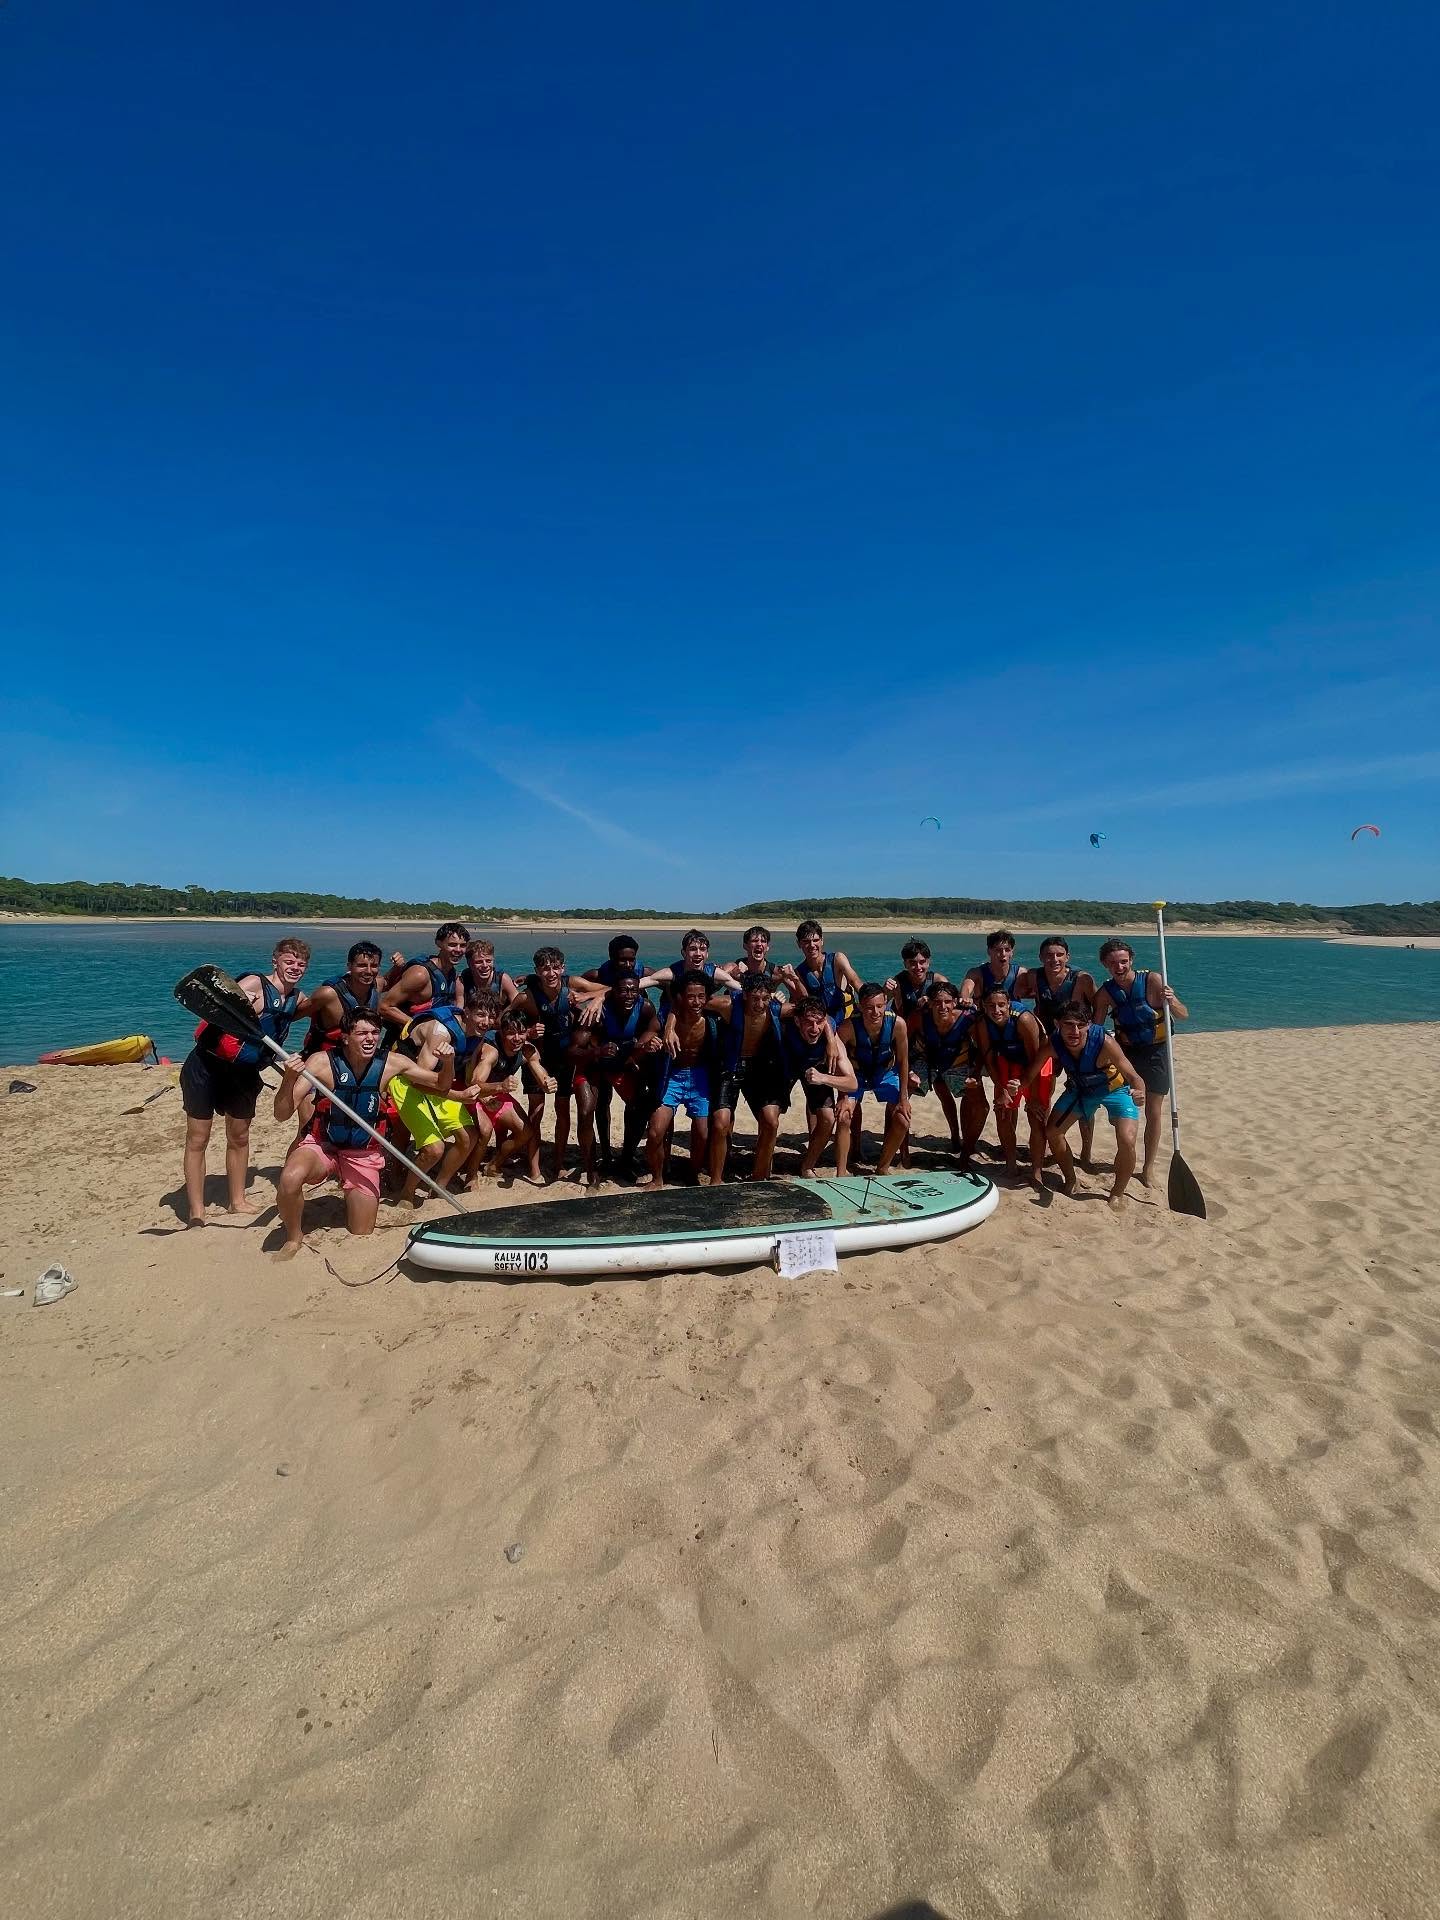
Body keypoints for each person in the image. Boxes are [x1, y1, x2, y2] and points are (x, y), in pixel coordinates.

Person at [271, 1005, 448, 1257]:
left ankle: (351, 1192)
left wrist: (448, 1063)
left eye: (375, 1033)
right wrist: (289, 1078)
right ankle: (293, 1236)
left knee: (362, 1231)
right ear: (345, 1037)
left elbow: (441, 1084)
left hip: (362, 1151)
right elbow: (281, 1114)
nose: (370, 1039)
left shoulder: (392, 1063)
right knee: (290, 1179)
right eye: (362, 1033)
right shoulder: (321, 1062)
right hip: (324, 1144)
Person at [180, 937, 311, 1226]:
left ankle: (236, 1201)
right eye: (289, 961)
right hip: (206, 1065)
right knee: (198, 1138)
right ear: (275, 961)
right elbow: (212, 1007)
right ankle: (197, 1210)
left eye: (301, 964)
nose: (295, 968)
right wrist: (239, 1003)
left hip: (244, 1073)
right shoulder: (253, 983)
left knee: (239, 1136)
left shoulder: (297, 999)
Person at [1023, 1001, 1147, 1207]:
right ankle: (1071, 1179)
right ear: (1057, 1024)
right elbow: (1030, 1074)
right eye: (1068, 1024)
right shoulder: (1053, 1045)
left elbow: (1134, 1076)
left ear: (1089, 1025)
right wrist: (1016, 1088)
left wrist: (1139, 1093)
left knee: (1127, 1140)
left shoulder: (1104, 1042)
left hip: (1115, 1090)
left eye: (1080, 1025)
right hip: (1081, 1091)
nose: (1074, 1031)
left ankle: (1117, 1192)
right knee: (1053, 1132)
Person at [1091, 938, 1189, 1188]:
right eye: (1113, 963)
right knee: (1124, 1110)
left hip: (1157, 1053)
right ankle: (1127, 1155)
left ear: (1131, 960)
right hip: (1127, 1055)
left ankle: (1148, 1168)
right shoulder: (1105, 993)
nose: (1119, 967)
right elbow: (1096, 1030)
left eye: (1123, 961)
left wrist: (1172, 1000)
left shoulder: (1153, 980)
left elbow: (1183, 1015)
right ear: (1105, 965)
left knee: (1153, 1112)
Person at [569, 974, 663, 1184]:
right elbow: (572, 1051)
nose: (629, 995)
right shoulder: (596, 1013)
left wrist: (641, 1051)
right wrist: (597, 1051)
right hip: (594, 1064)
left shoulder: (645, 1008)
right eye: (623, 991)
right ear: (613, 992)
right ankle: (593, 1168)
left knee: (639, 1107)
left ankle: (627, 1158)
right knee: (587, 1111)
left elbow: (653, 1034)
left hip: (623, 1066)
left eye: (633, 991)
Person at [384, 1001, 481, 1204]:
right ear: (467, 1013)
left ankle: (439, 1186)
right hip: (407, 1080)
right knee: (434, 1149)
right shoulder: (441, 1033)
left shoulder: (476, 1033)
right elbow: (419, 1082)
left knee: (468, 1136)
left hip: (440, 1080)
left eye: (491, 1017)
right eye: (481, 1015)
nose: (486, 1022)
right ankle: (407, 1193)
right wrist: (458, 1096)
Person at [1015, 936, 1099, 1164]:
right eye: (1049, 955)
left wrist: (1096, 1037)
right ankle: (1045, 1145)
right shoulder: (1034, 976)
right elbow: (1016, 993)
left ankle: (1086, 1152)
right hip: (1049, 1044)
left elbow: (1099, 1004)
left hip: (1077, 1044)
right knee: (1045, 1093)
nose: (1054, 959)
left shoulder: (1081, 979)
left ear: (1067, 957)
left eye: (1059, 955)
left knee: (1084, 1097)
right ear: (1041, 957)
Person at [291, 940, 384, 1136]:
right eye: (361, 965)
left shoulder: (378, 985)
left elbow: (392, 981)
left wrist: (399, 968)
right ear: (349, 966)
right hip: (321, 1066)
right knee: (308, 1131)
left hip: (357, 1068)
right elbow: (292, 1015)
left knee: (346, 1128)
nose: (368, 971)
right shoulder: (328, 994)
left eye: (374, 965)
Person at [706, 972, 790, 1184]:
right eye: (755, 998)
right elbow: (691, 1002)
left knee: (771, 1121)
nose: (760, 1004)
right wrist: (670, 1026)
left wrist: (831, 1041)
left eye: (765, 998)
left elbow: (814, 1012)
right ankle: (716, 1180)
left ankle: (759, 1176)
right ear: (744, 995)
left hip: (758, 1069)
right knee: (721, 1122)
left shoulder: (775, 1009)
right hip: (730, 1067)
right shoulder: (728, 1005)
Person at [510, 947, 584, 1179]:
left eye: (555, 968)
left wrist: (591, 998)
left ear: (563, 968)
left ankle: (559, 1163)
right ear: (537, 971)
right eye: (544, 969)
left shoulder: (570, 989)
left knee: (563, 1111)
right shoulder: (526, 997)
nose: (551, 973)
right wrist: (527, 1032)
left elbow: (607, 989)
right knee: (536, 1112)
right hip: (537, 1059)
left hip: (564, 1059)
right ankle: (534, 1166)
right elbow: (503, 1020)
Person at [971, 984, 1049, 1188]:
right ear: (983, 1006)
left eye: (1001, 1005)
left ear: (1009, 1005)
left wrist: (1031, 1096)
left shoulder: (1023, 1020)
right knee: (1003, 1111)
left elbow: (1035, 1058)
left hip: (1037, 1063)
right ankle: (1011, 1165)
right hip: (1008, 1060)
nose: (996, 1010)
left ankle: (1037, 1170)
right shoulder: (983, 1022)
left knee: (1036, 1114)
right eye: (991, 1006)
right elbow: (989, 1058)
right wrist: (1003, 1090)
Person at [642, 970, 716, 1187]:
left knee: (702, 1133)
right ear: (680, 997)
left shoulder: (712, 1018)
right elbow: (646, 1036)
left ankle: (692, 1172)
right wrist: (650, 1043)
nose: (696, 1002)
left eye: (701, 996)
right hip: (673, 1076)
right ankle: (657, 1178)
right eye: (691, 997)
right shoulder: (666, 1016)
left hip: (700, 1076)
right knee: (655, 1131)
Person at [467, 1007, 552, 1183]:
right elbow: (475, 1084)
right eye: (511, 1033)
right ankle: (471, 1175)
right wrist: (500, 1086)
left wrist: (548, 1083)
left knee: (526, 1132)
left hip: (496, 1094)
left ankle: (494, 1164)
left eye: (521, 1032)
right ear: (502, 1033)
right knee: (485, 1132)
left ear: (527, 1032)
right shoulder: (491, 1050)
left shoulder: (527, 1049)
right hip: (473, 1094)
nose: (517, 1038)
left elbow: (540, 1073)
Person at [835, 984, 911, 1176]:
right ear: (860, 1006)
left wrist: (903, 1098)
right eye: (869, 1007)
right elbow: (838, 1061)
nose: (875, 1012)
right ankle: (841, 1172)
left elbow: (903, 1061)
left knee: (903, 1119)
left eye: (879, 1006)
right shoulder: (847, 1027)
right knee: (843, 1116)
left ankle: (882, 1167)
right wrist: (843, 1095)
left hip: (884, 1073)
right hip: (856, 1075)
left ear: (886, 1003)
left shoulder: (898, 1025)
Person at [908, 979, 987, 1162]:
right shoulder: (919, 1017)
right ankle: (905, 1154)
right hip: (928, 1059)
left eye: (947, 1002)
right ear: (929, 1003)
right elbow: (902, 1044)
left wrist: (975, 1074)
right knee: (937, 1094)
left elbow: (982, 1049)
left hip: (956, 1060)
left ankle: (966, 1147)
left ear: (955, 1002)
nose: (942, 1006)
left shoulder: (968, 1019)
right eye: (937, 1002)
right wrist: (909, 1071)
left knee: (978, 1103)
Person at [780, 994, 858, 1175]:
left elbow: (852, 1083)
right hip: (786, 1068)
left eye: (819, 1022)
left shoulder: (833, 1041)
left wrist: (823, 1078)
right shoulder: (786, 1025)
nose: (815, 1029)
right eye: (809, 1023)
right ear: (797, 1021)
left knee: (828, 1118)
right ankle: (764, 1167)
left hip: (815, 1071)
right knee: (770, 1114)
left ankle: (807, 1165)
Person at [380, 922, 468, 1031]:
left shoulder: (452, 975)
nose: (458, 950)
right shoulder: (420, 974)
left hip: (434, 1033)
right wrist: (418, 1026)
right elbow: (384, 1007)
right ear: (439, 943)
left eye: (462, 945)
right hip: (405, 1035)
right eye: (452, 945)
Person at [778, 920, 861, 1026]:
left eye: (816, 940)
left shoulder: (837, 960)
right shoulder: (798, 972)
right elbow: (804, 1000)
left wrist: (869, 999)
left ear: (822, 941)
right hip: (818, 1024)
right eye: (806, 941)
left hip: (843, 1021)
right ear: (799, 944)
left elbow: (855, 982)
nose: (812, 945)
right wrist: (795, 980)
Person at [639, 929, 740, 1011]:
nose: (698, 954)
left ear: (707, 954)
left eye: (702, 949)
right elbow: (646, 981)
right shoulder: (673, 973)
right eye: (692, 949)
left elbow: (741, 989)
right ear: (683, 953)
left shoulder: (714, 972)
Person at [888, 938, 948, 1025]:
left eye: (922, 962)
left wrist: (932, 1000)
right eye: (913, 963)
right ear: (905, 964)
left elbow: (952, 1005)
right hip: (906, 1028)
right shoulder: (897, 983)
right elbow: (880, 1003)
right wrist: (885, 990)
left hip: (932, 1028)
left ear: (928, 962)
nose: (918, 967)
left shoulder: (939, 981)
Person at [961, 929, 1021, 1007]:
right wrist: (965, 998)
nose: (1003, 954)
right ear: (989, 951)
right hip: (984, 1013)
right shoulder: (976, 973)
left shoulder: (1020, 974)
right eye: (998, 950)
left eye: (1007, 950)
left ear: (1012, 952)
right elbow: (966, 988)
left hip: (1013, 1013)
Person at [461, 938, 518, 1009]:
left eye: (488, 961)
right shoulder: (463, 980)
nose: (485, 965)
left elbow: (518, 1003)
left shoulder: (503, 979)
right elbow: (459, 1008)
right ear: (469, 963)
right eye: (479, 962)